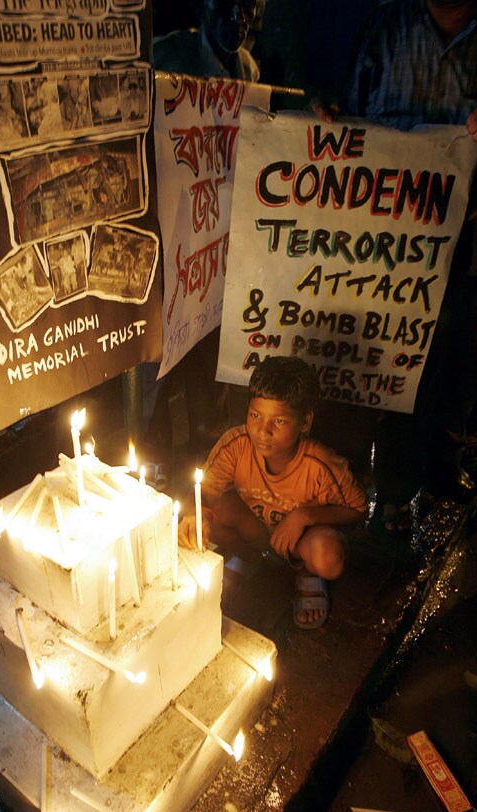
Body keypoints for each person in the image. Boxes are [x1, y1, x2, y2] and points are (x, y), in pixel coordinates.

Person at [311, 0, 477, 533]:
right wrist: (326, 112)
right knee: (350, 354)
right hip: (368, 231)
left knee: (418, 365)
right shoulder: (384, 24)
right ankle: (338, 497)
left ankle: (394, 495)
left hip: (452, 230)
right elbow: (344, 105)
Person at [143, 0, 261, 467]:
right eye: (228, 7)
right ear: (205, 6)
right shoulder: (166, 56)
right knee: (161, 354)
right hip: (173, 229)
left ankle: (203, 459)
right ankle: (149, 460)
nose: (238, 20)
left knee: (209, 345)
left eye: (248, 10)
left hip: (217, 235)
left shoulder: (247, 67)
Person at [178, 356, 368, 628]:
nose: (262, 431)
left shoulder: (321, 464)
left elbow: (358, 509)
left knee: (330, 557)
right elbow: (204, 492)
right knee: (214, 512)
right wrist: (194, 515)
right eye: (255, 415)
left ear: (304, 422)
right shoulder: (237, 443)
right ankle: (247, 561)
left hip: (300, 542)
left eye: (278, 421)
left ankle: (307, 574)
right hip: (255, 532)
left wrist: (304, 516)